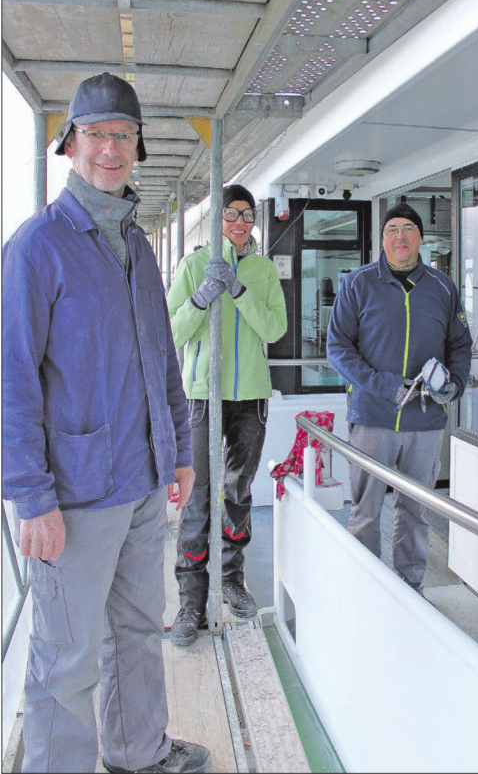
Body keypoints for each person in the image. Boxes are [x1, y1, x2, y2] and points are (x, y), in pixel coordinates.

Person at [2, 72, 211, 774]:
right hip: (76, 497)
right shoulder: (36, 247)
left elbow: (164, 359)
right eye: (96, 134)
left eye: (122, 134)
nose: (110, 148)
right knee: (64, 661)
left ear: (136, 146)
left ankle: (137, 752)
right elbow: (11, 381)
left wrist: (179, 450)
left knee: (136, 633)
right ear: (69, 145)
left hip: (146, 485)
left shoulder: (141, 247)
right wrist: (30, 496)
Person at [326, 202, 472, 592]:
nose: (400, 236)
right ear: (383, 239)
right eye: (392, 229)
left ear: (421, 238)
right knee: (366, 512)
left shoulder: (443, 288)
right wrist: (384, 385)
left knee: (415, 513)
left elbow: (460, 345)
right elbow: (338, 348)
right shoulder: (357, 284)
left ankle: (410, 591)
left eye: (409, 229)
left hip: (426, 423)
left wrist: (454, 384)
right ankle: (365, 592)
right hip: (373, 418)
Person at [167, 184, 287, 646]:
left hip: (250, 396)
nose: (239, 223)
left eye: (246, 215)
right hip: (203, 394)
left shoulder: (262, 270)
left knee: (237, 490)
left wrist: (238, 290)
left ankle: (233, 579)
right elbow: (172, 329)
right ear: (218, 218)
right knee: (197, 495)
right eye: (231, 214)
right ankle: (190, 601)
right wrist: (202, 297)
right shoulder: (195, 264)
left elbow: (274, 329)